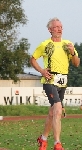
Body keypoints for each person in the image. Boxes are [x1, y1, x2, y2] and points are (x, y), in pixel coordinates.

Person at [30, 17, 80, 150]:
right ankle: (57, 143)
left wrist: (72, 52)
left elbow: (76, 63)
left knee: (53, 112)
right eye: (56, 27)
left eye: (61, 27)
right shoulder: (45, 44)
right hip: (49, 80)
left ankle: (43, 138)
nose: (59, 29)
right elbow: (33, 59)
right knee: (58, 110)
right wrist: (41, 70)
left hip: (63, 82)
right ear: (50, 30)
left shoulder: (68, 44)